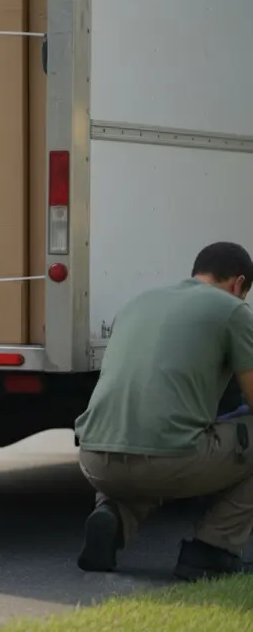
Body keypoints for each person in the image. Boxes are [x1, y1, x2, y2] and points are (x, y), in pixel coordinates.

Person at [74, 242, 253, 581]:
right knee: (174, 446)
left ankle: (114, 517)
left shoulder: (137, 304)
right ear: (238, 283)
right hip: (167, 460)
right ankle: (213, 549)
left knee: (161, 438)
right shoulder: (232, 309)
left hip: (94, 458)